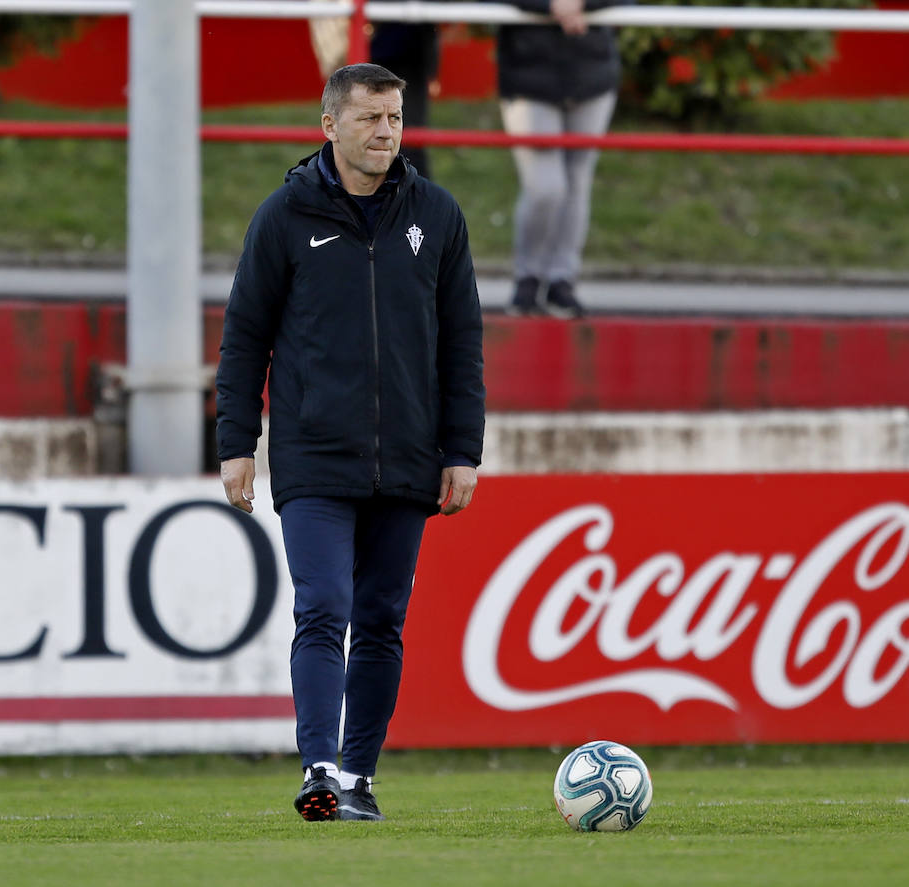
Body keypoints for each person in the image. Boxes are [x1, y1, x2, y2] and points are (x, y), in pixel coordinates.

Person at [215, 63, 485, 822]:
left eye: (395, 117)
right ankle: (319, 768)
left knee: (381, 619)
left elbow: (462, 343)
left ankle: (360, 777)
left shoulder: (437, 213)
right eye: (369, 118)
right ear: (329, 125)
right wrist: (238, 441)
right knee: (323, 604)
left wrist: (463, 448)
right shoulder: (283, 217)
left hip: (408, 456)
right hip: (313, 456)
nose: (386, 132)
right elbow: (245, 339)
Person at [498, 0, 632, 318]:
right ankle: (528, 278)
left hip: (592, 76)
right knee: (545, 186)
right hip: (528, 77)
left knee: (576, 182)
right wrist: (553, 4)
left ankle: (561, 281)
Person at [368, 11, 439, 181]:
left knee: (407, 136)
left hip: (408, 54)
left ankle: (416, 193)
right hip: (388, 52)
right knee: (390, 133)